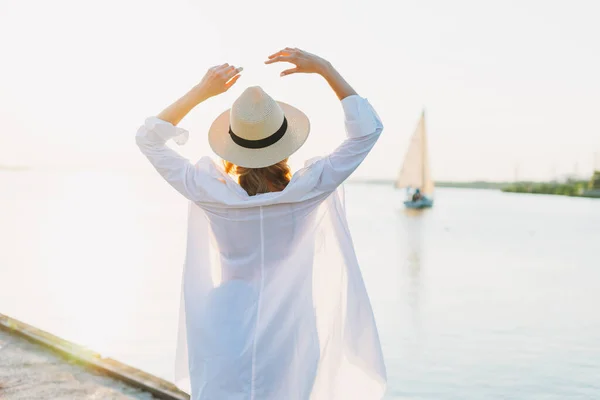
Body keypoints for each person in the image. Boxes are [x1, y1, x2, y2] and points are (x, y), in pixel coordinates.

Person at [136, 48, 386, 400]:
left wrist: (200, 91)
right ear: (285, 144)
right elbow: (367, 131)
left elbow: (148, 139)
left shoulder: (211, 191)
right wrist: (326, 70)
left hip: (224, 325)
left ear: (232, 147)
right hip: (291, 330)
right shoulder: (307, 190)